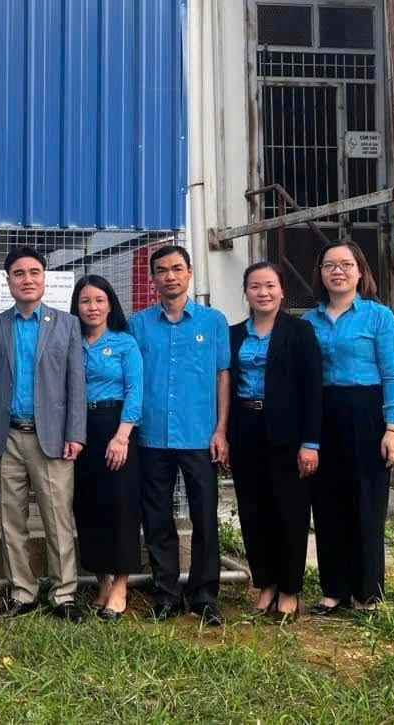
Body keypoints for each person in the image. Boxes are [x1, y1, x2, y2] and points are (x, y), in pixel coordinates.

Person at [0, 246, 86, 622]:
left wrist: (76, 432)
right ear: (8, 281)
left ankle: (64, 595)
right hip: (6, 437)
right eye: (19, 273)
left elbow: (77, 383)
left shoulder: (66, 324)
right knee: (12, 519)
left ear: (45, 279)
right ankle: (22, 593)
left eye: (34, 272)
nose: (27, 279)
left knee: (58, 517)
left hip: (54, 438)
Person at [129, 244, 230, 627]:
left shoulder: (213, 322)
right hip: (152, 437)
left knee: (205, 518)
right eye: (161, 270)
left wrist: (221, 429)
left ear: (189, 273)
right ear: (152, 278)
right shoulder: (139, 325)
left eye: (176, 268)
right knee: (157, 518)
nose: (169, 276)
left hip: (199, 437)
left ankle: (204, 596)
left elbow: (223, 375)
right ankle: (166, 594)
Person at [304, 241, 394, 614]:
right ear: (321, 274)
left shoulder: (379, 318)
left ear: (360, 272)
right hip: (322, 415)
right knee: (327, 504)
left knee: (366, 505)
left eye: (346, 264)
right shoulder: (308, 321)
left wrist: (393, 429)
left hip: (366, 415)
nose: (338, 271)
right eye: (330, 265)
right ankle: (334, 590)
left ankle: (368, 594)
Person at [227, 262, 323, 620]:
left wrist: (311, 442)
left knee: (290, 512)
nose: (263, 293)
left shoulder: (300, 332)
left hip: (288, 433)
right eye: (255, 286)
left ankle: (289, 590)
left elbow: (313, 390)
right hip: (245, 429)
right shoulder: (234, 334)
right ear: (246, 292)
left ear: (282, 291)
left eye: (269, 286)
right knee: (254, 511)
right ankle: (265, 583)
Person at [70, 275, 143, 621]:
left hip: (116, 429)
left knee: (121, 507)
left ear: (110, 304)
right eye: (85, 301)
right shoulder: (71, 342)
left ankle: (121, 584)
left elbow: (135, 391)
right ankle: (101, 580)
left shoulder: (125, 343)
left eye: (99, 300)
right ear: (77, 307)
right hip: (80, 431)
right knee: (88, 506)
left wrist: (122, 435)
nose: (92, 307)